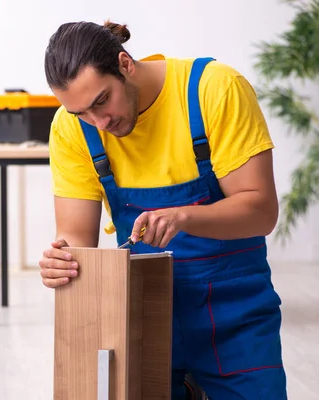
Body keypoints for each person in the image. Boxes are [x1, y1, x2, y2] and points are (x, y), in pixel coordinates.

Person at [39, 20, 287, 399]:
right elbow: (75, 237)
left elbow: (261, 211)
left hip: (235, 315)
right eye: (81, 113)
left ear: (125, 64)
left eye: (102, 101)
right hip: (140, 315)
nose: (99, 124)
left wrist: (184, 216)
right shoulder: (72, 128)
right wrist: (63, 258)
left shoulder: (213, 90)